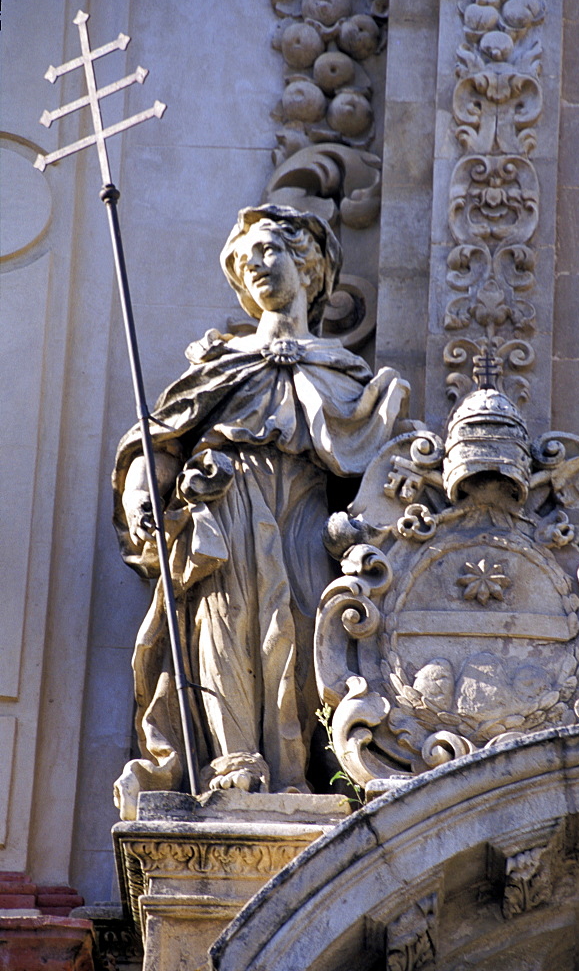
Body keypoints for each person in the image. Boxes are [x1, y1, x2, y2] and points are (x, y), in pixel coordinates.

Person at [112, 204, 413, 819]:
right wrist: (145, 493)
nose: (256, 266)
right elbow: (160, 444)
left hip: (305, 518)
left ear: (309, 269)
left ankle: (295, 771)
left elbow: (379, 474)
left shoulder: (343, 374)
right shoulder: (220, 366)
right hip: (225, 517)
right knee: (226, 632)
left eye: (270, 251)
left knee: (301, 632)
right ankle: (235, 761)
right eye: (245, 259)